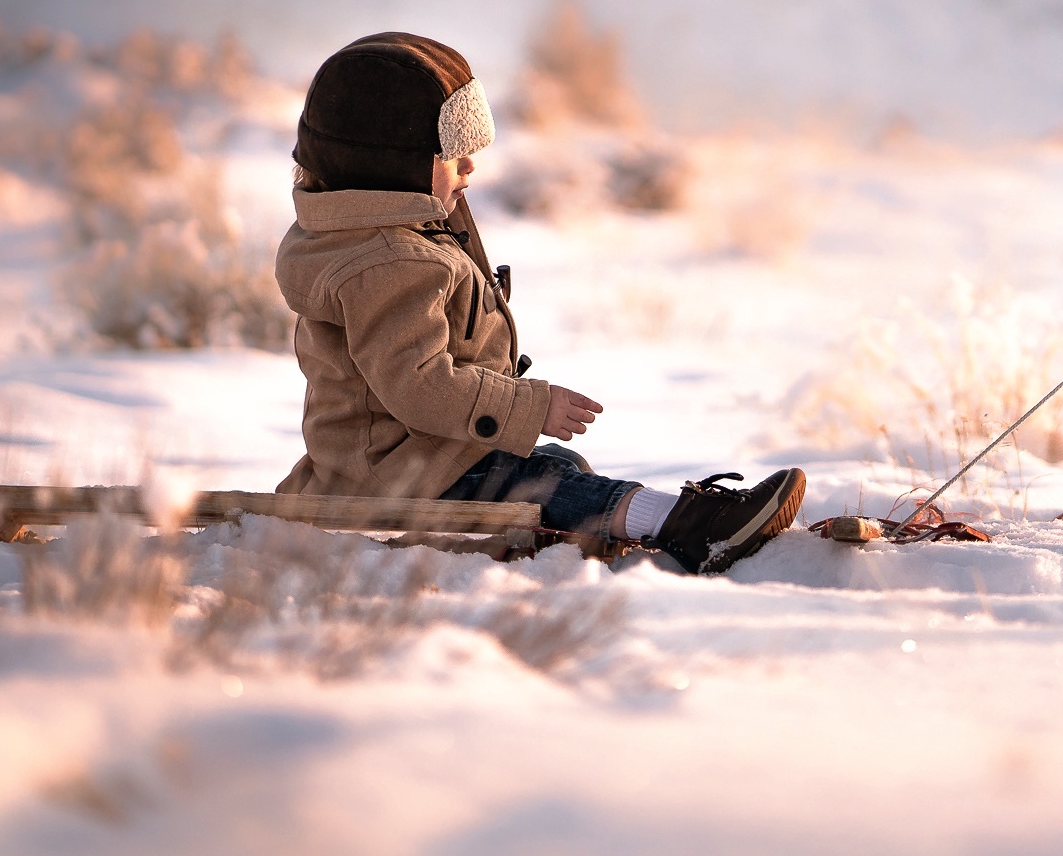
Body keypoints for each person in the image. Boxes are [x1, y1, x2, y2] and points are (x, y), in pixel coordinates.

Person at [273, 31, 804, 573]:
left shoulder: (379, 236)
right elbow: (418, 385)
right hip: (395, 474)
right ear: (393, 167)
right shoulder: (388, 262)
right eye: (453, 157)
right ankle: (692, 527)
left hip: (409, 456)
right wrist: (529, 406)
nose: (470, 170)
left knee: (557, 465)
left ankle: (573, 533)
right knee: (542, 480)